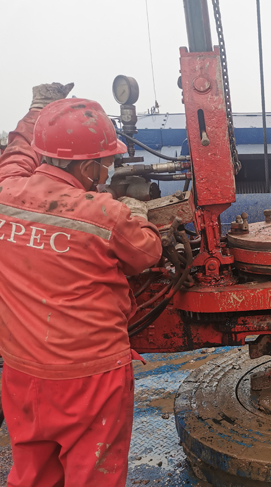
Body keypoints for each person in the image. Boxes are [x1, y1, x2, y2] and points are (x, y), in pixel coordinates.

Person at [0, 83, 162, 486]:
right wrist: (137, 212)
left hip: (22, 372)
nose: (107, 170)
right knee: (93, 476)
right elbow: (147, 253)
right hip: (90, 379)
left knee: (33, 474)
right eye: (106, 163)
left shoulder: (5, 191)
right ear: (89, 169)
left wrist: (36, 111)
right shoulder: (104, 214)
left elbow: (16, 154)